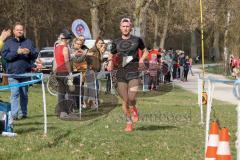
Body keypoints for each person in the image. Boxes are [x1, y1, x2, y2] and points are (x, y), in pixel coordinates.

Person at [107, 18, 149, 132]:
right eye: (123, 26)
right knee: (124, 100)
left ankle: (133, 107)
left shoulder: (137, 40)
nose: (125, 28)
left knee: (131, 98)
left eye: (127, 26)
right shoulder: (116, 41)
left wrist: (142, 59)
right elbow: (111, 54)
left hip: (134, 70)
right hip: (121, 71)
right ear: (120, 28)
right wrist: (110, 62)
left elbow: (146, 51)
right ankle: (129, 123)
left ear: (131, 28)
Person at [2, 22, 38, 119]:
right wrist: (16, 52)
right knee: (14, 94)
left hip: (25, 73)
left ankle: (23, 114)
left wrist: (30, 52)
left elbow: (35, 54)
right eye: (17, 30)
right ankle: (14, 115)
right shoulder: (8, 43)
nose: (19, 31)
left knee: (24, 94)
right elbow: (5, 57)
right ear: (14, 31)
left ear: (23, 31)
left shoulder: (29, 42)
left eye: (21, 30)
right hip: (12, 74)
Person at [53, 31, 72, 106]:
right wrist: (70, 73)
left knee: (61, 92)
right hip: (65, 72)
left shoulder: (56, 48)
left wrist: (54, 72)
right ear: (66, 40)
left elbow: (55, 60)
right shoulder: (65, 48)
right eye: (68, 40)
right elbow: (67, 62)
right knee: (69, 91)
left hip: (58, 72)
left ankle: (61, 109)